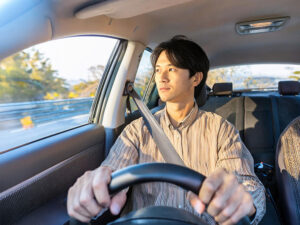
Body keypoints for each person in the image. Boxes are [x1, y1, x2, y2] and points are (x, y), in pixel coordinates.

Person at [67, 36, 266, 225]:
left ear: (196, 78)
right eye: (158, 69)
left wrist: (242, 201)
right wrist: (93, 189)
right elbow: (111, 171)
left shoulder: (221, 130)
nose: (160, 78)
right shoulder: (137, 131)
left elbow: (248, 185)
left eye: (171, 69)